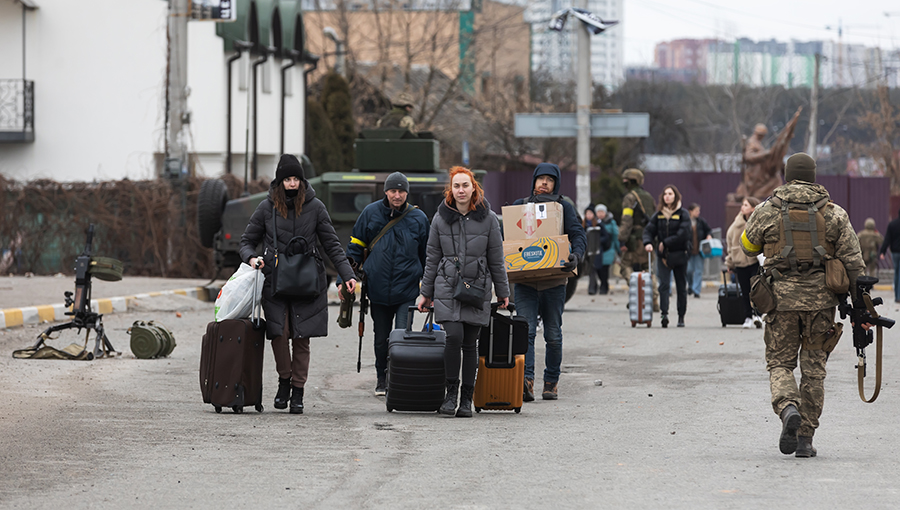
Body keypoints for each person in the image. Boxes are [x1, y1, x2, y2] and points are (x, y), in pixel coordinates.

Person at [742, 152, 865, 458]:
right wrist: (861, 308)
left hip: (780, 301)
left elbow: (747, 247)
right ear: (813, 175)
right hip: (822, 302)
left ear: (786, 175)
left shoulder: (767, 209)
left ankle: (788, 408)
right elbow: (854, 264)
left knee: (780, 363)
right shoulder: (835, 213)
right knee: (814, 371)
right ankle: (805, 439)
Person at [240, 154, 357, 415]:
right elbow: (246, 241)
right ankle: (284, 381)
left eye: (295, 179)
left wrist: (347, 274)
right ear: (279, 182)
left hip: (308, 281)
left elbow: (332, 244)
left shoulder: (315, 207)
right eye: (287, 179)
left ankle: (298, 392)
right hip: (274, 280)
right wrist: (252, 258)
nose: (292, 184)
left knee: (302, 338)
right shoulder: (266, 207)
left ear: (302, 181)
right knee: (279, 335)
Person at [417, 166, 509, 418]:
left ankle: (467, 399)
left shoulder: (489, 219)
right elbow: (432, 257)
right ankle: (451, 394)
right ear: (450, 190)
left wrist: (503, 291)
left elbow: (497, 258)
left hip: (477, 286)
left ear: (473, 188)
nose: (461, 190)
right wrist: (426, 292)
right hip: (446, 284)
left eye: (465, 185)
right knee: (454, 336)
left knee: (470, 343)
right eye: (456, 186)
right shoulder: (439, 219)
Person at [345, 172, 430, 396]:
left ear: (407, 193)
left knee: (401, 336)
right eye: (393, 190)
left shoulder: (419, 218)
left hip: (407, 290)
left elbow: (428, 256)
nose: (397, 195)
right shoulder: (370, 213)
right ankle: (381, 378)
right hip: (378, 290)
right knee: (381, 339)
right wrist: (345, 277)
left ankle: (398, 379)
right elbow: (354, 248)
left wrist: (430, 289)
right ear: (386, 192)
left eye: (401, 191)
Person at [511, 163, 586, 401]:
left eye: (549, 179)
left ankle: (551, 382)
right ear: (533, 181)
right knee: (527, 333)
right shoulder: (519, 207)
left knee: (553, 334)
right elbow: (506, 240)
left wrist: (577, 256)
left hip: (554, 281)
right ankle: (527, 381)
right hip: (524, 282)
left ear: (556, 183)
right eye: (540, 178)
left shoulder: (564, 207)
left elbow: (578, 234)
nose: (544, 183)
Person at [643, 185, 691, 328]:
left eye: (670, 194)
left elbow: (684, 234)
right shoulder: (659, 215)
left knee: (681, 287)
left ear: (676, 196)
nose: (667, 196)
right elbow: (648, 230)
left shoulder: (683, 214)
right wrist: (648, 242)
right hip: (663, 257)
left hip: (680, 255)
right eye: (665, 194)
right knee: (663, 286)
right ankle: (664, 314)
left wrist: (665, 242)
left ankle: (681, 316)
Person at [619, 168, 659, 309]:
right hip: (648, 239)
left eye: (626, 181)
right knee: (648, 269)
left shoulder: (630, 197)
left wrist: (622, 238)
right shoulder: (648, 197)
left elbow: (627, 219)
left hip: (634, 240)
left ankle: (638, 292)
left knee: (625, 267)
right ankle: (654, 299)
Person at [725, 197, 762, 328]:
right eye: (742, 204)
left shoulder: (759, 222)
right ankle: (748, 317)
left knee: (756, 289)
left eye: (746, 205)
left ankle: (758, 314)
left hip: (755, 261)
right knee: (745, 291)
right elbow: (730, 245)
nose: (742, 207)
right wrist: (730, 263)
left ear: (753, 208)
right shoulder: (736, 225)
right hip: (740, 263)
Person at [685, 203, 712, 298]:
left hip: (699, 251)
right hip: (688, 250)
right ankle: (691, 286)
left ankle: (696, 291)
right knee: (688, 270)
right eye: (696, 211)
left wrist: (709, 235)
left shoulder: (701, 222)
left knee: (699, 271)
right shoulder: (685, 222)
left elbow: (708, 230)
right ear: (690, 211)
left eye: (699, 211)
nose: (698, 213)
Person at [583, 205, 607, 295]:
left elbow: (606, 237)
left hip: (597, 250)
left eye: (590, 213)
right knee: (591, 269)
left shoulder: (598, 224)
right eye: (587, 213)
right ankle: (592, 288)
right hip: (587, 251)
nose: (588, 215)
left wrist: (598, 241)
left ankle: (602, 286)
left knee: (599, 270)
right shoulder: (583, 225)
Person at [595, 204, 619, 295]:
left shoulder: (611, 222)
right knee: (598, 269)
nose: (600, 214)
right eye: (598, 212)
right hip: (598, 249)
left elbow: (615, 236)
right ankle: (603, 284)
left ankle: (604, 286)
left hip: (609, 249)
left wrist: (618, 249)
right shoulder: (595, 222)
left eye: (602, 212)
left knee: (605, 269)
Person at [879, 211, 900, 302]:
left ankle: (897, 296)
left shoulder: (892, 224)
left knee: (896, 272)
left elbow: (887, 239)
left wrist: (882, 251)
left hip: (895, 252)